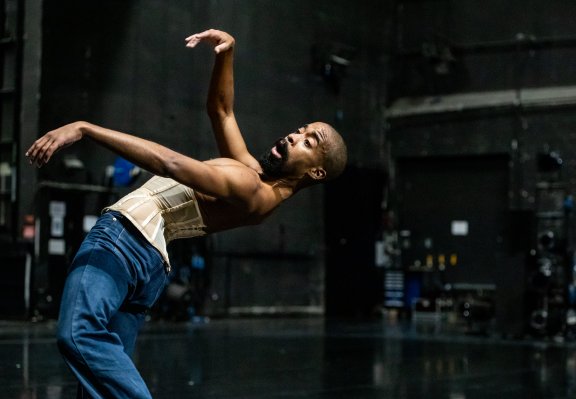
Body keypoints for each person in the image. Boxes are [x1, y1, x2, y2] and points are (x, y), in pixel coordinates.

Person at [25, 29, 347, 399]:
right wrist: (227, 55)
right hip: (150, 262)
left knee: (77, 332)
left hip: (125, 238)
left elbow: (170, 163)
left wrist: (84, 128)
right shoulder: (258, 182)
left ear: (316, 172)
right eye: (301, 130)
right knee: (99, 382)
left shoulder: (248, 186)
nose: (294, 135)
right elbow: (222, 111)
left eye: (309, 142)